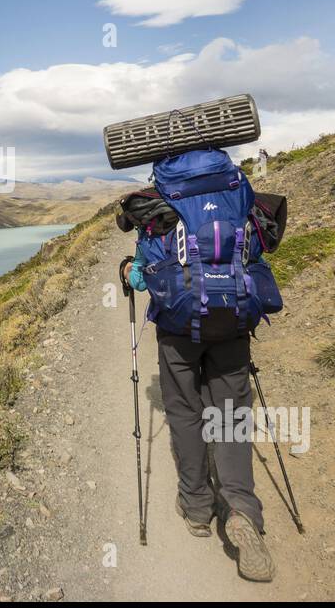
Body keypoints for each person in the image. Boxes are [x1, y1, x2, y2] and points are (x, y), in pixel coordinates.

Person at [120, 148, 283, 583]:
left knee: (185, 413)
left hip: (177, 328)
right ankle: (241, 512)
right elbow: (257, 251)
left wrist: (129, 274)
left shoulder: (160, 200)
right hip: (232, 320)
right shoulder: (237, 190)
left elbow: (144, 274)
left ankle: (196, 508)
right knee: (231, 416)